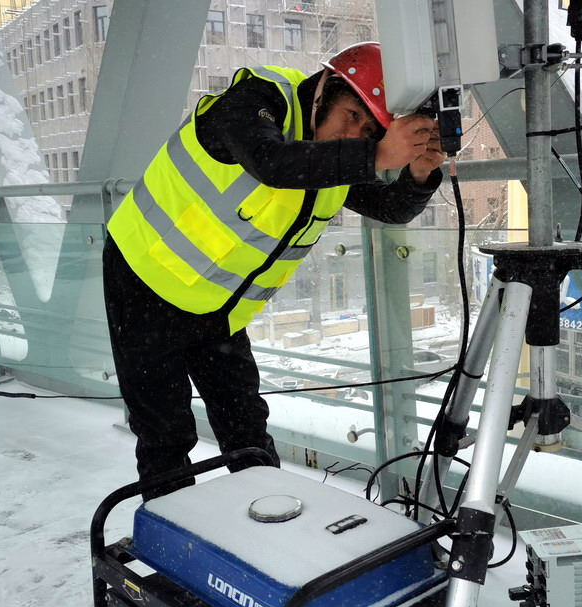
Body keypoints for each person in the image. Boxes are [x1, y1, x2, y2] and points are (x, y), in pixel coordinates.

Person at [102, 42, 444, 499]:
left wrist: (418, 174)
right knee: (165, 432)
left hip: (218, 310)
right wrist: (378, 155)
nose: (353, 135)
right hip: (144, 283)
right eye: (350, 115)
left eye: (369, 131)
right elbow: (273, 163)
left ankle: (264, 532)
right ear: (323, 88)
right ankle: (175, 548)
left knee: (246, 428)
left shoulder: (335, 160)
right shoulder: (259, 99)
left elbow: (389, 207)